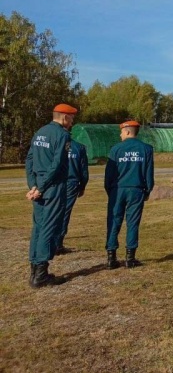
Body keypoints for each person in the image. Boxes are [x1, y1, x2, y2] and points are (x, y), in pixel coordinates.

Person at [25, 103, 76, 287]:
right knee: (49, 227)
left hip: (39, 184)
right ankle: (41, 274)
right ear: (64, 117)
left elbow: (29, 159)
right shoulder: (62, 135)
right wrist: (41, 186)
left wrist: (33, 185)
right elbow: (56, 165)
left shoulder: (40, 132)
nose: (72, 122)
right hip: (53, 186)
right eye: (71, 119)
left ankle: (33, 270)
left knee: (38, 226)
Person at [104, 120, 154, 269]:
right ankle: (130, 258)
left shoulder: (116, 149)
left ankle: (111, 258)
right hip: (136, 190)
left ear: (126, 131)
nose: (120, 134)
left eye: (121, 132)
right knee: (133, 222)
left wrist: (110, 191)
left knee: (113, 221)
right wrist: (147, 190)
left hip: (117, 190)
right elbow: (149, 174)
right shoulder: (146, 149)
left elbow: (109, 174)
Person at [56, 137, 88, 255]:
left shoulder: (55, 143)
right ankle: (58, 243)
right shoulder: (79, 147)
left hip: (56, 183)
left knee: (53, 211)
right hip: (71, 183)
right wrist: (83, 185)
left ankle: (49, 241)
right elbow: (83, 169)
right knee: (65, 212)